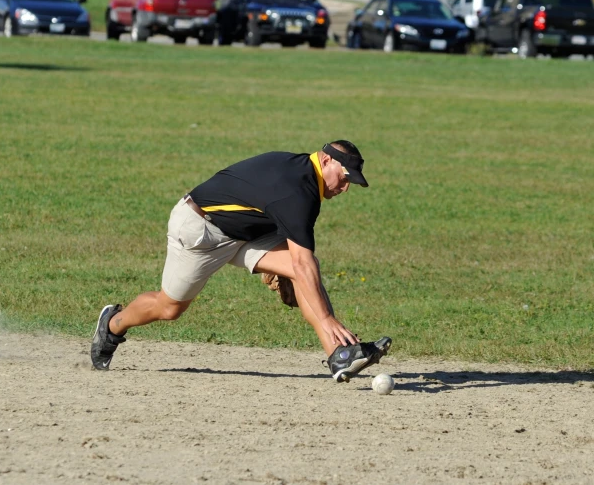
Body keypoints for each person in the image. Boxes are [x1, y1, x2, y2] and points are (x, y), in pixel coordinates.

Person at [91, 141, 391, 382]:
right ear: (325, 161)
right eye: (344, 177)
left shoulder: (303, 173)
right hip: (201, 231)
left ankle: (340, 356)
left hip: (245, 232)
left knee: (303, 272)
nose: (345, 187)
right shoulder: (297, 192)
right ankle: (113, 325)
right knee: (169, 308)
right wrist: (326, 317)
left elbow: (301, 262)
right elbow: (302, 261)